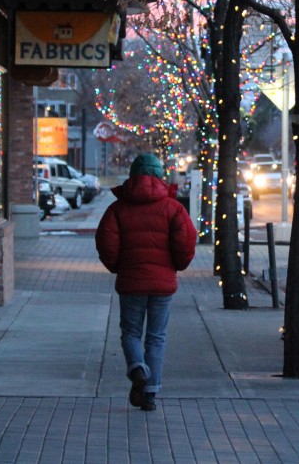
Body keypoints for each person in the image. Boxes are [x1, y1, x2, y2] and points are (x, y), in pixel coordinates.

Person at [95, 152, 197, 411]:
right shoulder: (173, 208)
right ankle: (150, 393)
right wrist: (176, 265)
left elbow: (105, 242)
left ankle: (138, 368)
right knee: (156, 337)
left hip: (131, 282)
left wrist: (118, 267)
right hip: (162, 284)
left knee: (130, 332)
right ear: (160, 176)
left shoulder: (117, 209)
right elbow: (186, 240)